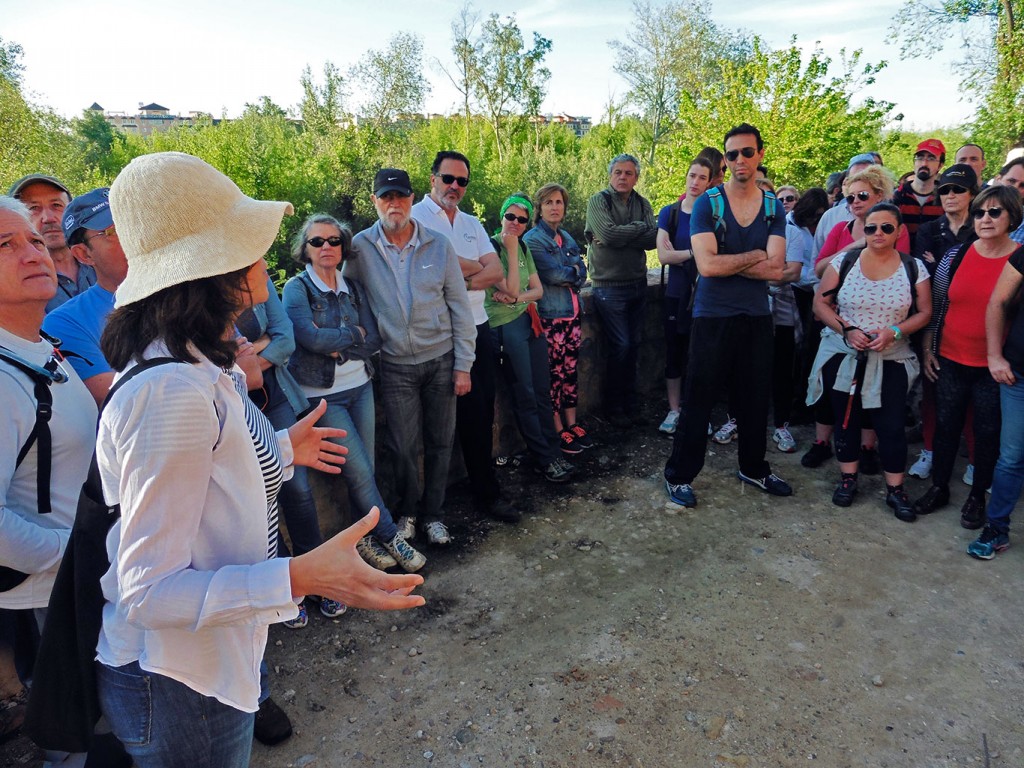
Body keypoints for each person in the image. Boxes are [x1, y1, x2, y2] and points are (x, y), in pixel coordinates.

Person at [94, 152, 425, 768]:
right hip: (177, 679)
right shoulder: (171, 391)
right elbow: (148, 591)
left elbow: (210, 470)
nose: (263, 257)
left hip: (201, 663)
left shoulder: (193, 360)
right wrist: (299, 577)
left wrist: (278, 449)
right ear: (213, 267)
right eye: (248, 241)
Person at [0, 196, 99, 757]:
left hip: (74, 579)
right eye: (5, 245)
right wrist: (72, 551)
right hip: (49, 593)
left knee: (85, 719)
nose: (32, 251)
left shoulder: (38, 349)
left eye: (34, 240)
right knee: (67, 733)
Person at [282, 213, 426, 573]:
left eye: (333, 241)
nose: (326, 247)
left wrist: (342, 344)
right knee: (360, 470)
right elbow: (308, 338)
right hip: (323, 395)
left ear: (343, 247)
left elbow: (374, 338)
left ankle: (362, 536)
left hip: (360, 386)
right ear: (306, 249)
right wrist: (354, 336)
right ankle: (391, 535)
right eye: (317, 241)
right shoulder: (298, 289)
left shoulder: (353, 288)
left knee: (366, 469)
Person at [663, 123, 790, 508]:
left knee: (753, 398)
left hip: (755, 315)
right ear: (725, 161)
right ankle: (679, 476)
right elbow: (707, 267)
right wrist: (755, 256)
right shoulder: (709, 203)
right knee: (698, 398)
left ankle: (753, 467)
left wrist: (729, 260)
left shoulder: (771, 208)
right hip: (712, 316)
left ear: (760, 155)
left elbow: (778, 268)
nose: (739, 160)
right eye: (732, 154)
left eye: (747, 153)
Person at [348, 168, 476, 546]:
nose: (394, 204)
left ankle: (434, 515)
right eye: (386, 197)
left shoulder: (438, 245)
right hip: (394, 365)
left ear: (411, 198)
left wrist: (463, 364)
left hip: (441, 360)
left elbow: (459, 306)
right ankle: (407, 512)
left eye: (401, 196)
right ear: (374, 201)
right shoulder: (359, 248)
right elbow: (345, 297)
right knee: (402, 446)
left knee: (440, 441)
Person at [410, 152, 519, 524]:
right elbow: (437, 266)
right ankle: (426, 509)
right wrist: (473, 270)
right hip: (436, 332)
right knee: (434, 424)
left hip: (477, 326)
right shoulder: (415, 218)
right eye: (448, 178)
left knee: (480, 413)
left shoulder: (472, 223)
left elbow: (496, 270)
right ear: (432, 179)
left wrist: (458, 277)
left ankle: (486, 493)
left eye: (462, 181)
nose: (455, 186)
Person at [808, 203, 932, 521]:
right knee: (846, 419)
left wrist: (894, 331)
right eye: (871, 227)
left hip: (891, 355)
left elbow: (924, 312)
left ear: (899, 231)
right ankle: (848, 479)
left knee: (890, 424)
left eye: (886, 227)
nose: (878, 233)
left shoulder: (914, 268)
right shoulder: (845, 260)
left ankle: (895, 490)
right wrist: (847, 330)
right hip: (844, 352)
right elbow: (820, 304)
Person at [911, 186, 1024, 527]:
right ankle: (939, 487)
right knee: (946, 427)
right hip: (950, 357)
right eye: (979, 213)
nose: (985, 219)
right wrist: (929, 348)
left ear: (1012, 217)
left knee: (987, 433)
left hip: (994, 364)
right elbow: (937, 305)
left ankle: (977, 497)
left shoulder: (1018, 258)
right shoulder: (955, 255)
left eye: (995, 212)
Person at [485, 194, 572, 482]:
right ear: (501, 217)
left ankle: (553, 451)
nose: (516, 223)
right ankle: (543, 459)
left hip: (528, 321)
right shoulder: (491, 247)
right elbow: (508, 288)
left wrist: (516, 298)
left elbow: (537, 291)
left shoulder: (523, 246)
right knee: (525, 394)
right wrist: (509, 250)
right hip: (505, 327)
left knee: (542, 391)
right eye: (510, 217)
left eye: (522, 219)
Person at [906, 164, 980, 480]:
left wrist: (943, 267)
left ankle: (976, 461)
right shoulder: (929, 230)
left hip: (973, 320)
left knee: (973, 399)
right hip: (933, 319)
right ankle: (929, 452)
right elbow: (926, 277)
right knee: (933, 390)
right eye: (945, 190)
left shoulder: (982, 228)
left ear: (972, 194)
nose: (950, 195)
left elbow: (974, 279)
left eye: (958, 190)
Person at [584, 153, 658, 428]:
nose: (623, 177)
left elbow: (653, 239)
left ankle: (630, 403)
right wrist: (637, 230)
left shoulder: (642, 203)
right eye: (618, 172)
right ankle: (613, 407)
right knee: (621, 345)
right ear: (610, 175)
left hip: (637, 284)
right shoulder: (598, 201)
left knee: (633, 346)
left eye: (629, 173)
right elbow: (609, 234)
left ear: (636, 177)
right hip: (608, 287)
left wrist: (622, 234)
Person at [967, 210, 1024, 558]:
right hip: (1018, 373)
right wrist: (994, 355)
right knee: (1011, 458)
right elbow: (998, 301)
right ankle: (997, 529)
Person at [521, 183, 590, 453]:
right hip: (550, 317)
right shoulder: (533, 240)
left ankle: (572, 423)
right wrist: (571, 271)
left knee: (570, 372)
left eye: (559, 202)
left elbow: (582, 271)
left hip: (572, 316)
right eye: (548, 202)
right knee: (553, 375)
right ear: (539, 207)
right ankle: (557, 428)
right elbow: (554, 275)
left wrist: (571, 271)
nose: (554, 207)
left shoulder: (567, 237)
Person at [41, 188, 126, 405]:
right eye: (113, 231)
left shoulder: (192, 290)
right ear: (84, 254)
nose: (132, 235)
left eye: (133, 222)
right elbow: (117, 397)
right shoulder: (66, 322)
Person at [653, 157, 713, 435]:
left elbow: (718, 256)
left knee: (700, 357)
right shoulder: (670, 213)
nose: (696, 182)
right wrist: (694, 254)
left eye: (702, 177)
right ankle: (674, 410)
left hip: (706, 297)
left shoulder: (713, 214)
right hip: (676, 294)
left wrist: (684, 255)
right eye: (692, 176)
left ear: (710, 182)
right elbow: (663, 255)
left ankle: (696, 411)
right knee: (674, 354)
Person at [8, 175, 95, 313]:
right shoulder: (16, 283)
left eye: (56, 205)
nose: (48, 218)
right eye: (34, 208)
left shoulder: (102, 261)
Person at [815, 165, 910, 276]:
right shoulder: (840, 229)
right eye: (851, 197)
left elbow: (902, 271)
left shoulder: (893, 229)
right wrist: (851, 247)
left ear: (879, 196)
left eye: (862, 195)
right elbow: (819, 270)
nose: (855, 201)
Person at [891, 139, 946, 250]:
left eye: (931, 159)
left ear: (940, 165)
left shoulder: (945, 197)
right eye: (920, 158)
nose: (924, 163)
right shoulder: (897, 196)